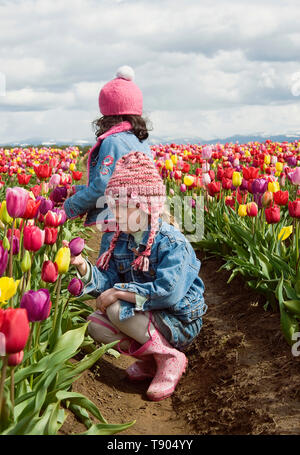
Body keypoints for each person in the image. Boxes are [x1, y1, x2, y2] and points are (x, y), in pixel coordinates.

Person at [69, 151, 207, 402]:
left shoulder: (172, 243)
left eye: (122, 207)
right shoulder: (122, 240)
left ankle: (170, 357)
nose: (115, 215)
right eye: (113, 207)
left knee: (116, 308)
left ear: (145, 207)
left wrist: (121, 293)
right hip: (147, 317)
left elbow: (169, 293)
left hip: (178, 320)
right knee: (94, 324)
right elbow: (107, 281)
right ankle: (152, 360)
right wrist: (82, 266)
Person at [63, 65, 153, 229]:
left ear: (106, 113)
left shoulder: (113, 142)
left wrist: (70, 206)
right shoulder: (141, 142)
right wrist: (78, 190)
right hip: (141, 221)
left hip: (118, 224)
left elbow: (104, 187)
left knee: (109, 255)